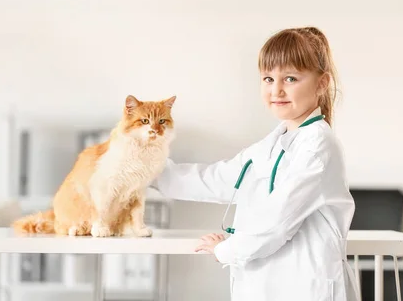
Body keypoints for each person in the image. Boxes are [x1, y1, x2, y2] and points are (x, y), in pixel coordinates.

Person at [153, 27, 360, 301]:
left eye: (290, 78)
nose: (277, 90)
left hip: (307, 291)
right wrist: (146, 171)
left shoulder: (318, 145)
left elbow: (276, 223)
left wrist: (224, 251)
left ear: (322, 83)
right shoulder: (271, 145)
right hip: (265, 289)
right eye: (268, 78)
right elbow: (216, 179)